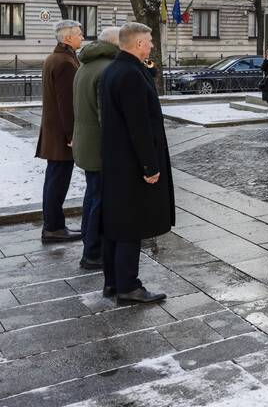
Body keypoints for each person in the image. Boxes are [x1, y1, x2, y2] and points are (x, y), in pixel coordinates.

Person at [98, 22, 174, 304]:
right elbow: (139, 125)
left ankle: (113, 282)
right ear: (139, 44)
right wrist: (149, 166)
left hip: (116, 160)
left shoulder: (116, 69)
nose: (152, 45)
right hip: (131, 163)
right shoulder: (129, 74)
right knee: (130, 224)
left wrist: (148, 72)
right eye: (150, 40)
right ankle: (128, 285)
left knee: (115, 223)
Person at [71, 26, 120, 269]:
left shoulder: (86, 64)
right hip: (99, 147)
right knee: (100, 199)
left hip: (85, 143)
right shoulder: (107, 69)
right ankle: (92, 252)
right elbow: (106, 117)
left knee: (92, 195)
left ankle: (87, 241)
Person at [36, 19, 83, 243]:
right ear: (67, 38)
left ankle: (53, 225)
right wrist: (72, 135)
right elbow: (67, 103)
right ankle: (53, 227)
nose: (82, 36)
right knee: (57, 181)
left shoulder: (55, 58)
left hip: (54, 133)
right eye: (79, 34)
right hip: (61, 136)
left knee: (54, 180)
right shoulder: (65, 62)